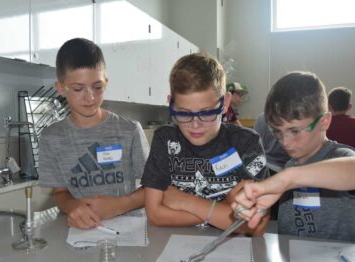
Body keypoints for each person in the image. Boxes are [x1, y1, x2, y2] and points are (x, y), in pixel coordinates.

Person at [141, 53, 269, 235]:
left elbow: (256, 225)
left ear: (225, 103)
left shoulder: (246, 143)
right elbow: (155, 214)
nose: (195, 124)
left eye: (207, 113)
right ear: (170, 103)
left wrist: (187, 202)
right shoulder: (165, 139)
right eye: (184, 113)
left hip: (233, 255)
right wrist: (224, 207)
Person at [39, 38, 149, 229]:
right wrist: (72, 205)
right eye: (78, 89)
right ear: (60, 88)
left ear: (106, 82)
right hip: (81, 232)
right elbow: (60, 193)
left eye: (97, 87)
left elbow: (153, 189)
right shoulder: (51, 137)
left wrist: (120, 205)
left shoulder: (129, 130)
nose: (90, 97)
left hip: (129, 230)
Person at [233, 71, 355, 242]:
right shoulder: (291, 165)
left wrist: (288, 179)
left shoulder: (339, 155)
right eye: (277, 132)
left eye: (295, 131)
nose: (285, 142)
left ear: (324, 122)